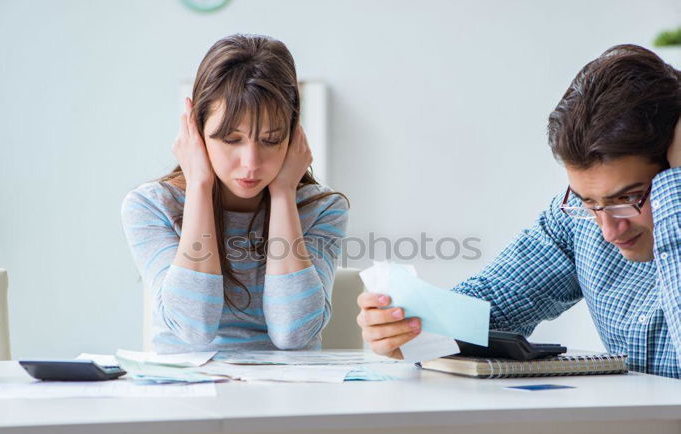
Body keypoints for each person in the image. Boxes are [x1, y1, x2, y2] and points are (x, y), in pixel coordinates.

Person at [357, 44, 681, 378]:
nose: (609, 231)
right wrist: (409, 328)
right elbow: (490, 306)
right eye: (589, 203)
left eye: (628, 199)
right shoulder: (573, 221)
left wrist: (676, 194)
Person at [121, 34, 348, 353]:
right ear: (196, 130)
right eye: (231, 139)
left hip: (290, 395)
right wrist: (199, 185)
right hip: (189, 389)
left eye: (270, 140)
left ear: (294, 134)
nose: (251, 164)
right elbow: (193, 328)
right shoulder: (151, 205)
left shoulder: (323, 208)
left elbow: (292, 333)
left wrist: (283, 193)